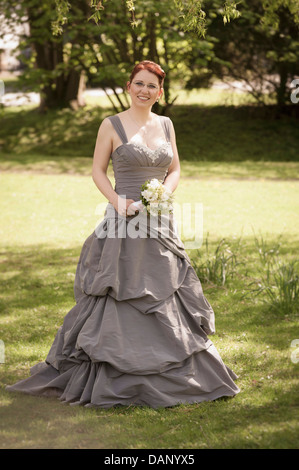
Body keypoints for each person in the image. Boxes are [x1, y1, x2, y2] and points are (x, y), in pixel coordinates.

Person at [6, 61, 240, 408]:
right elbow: (97, 171)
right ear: (129, 86)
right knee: (120, 289)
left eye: (152, 86)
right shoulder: (110, 125)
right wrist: (118, 201)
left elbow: (174, 169)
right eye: (139, 84)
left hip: (160, 219)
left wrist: (164, 192)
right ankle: (114, 367)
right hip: (123, 218)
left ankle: (177, 368)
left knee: (165, 289)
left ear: (160, 93)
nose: (145, 91)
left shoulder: (166, 124)